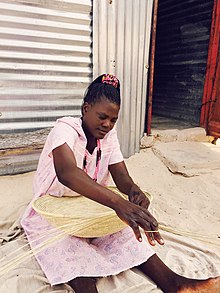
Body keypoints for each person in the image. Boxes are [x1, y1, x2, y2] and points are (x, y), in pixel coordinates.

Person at [21, 74, 220, 293]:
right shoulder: (65, 130)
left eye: (113, 120)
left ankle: (176, 284)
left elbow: (122, 177)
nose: (107, 124)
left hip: (93, 207)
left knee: (130, 237)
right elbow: (67, 173)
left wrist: (134, 192)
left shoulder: (108, 136)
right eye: (102, 116)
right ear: (86, 109)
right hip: (53, 214)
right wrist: (119, 204)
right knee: (72, 256)